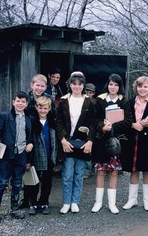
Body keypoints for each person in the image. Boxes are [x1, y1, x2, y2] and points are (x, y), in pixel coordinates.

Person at [0, 91, 34, 223]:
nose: (20, 103)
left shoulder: (29, 118)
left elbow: (30, 137)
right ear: (13, 102)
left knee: (17, 182)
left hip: (21, 155)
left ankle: (14, 209)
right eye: (18, 101)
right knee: (2, 181)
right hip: (7, 154)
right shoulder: (5, 116)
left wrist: (29, 152)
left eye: (23, 101)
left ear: (26, 104)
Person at [91, 74, 133, 214]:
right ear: (107, 85)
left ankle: (112, 203)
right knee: (101, 171)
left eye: (116, 84)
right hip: (102, 140)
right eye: (111, 84)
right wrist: (103, 126)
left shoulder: (124, 102)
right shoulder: (100, 100)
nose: (113, 87)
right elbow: (95, 119)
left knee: (114, 172)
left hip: (117, 142)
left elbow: (128, 121)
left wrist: (113, 126)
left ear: (120, 86)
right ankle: (98, 202)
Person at [56, 71, 95, 214]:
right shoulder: (64, 100)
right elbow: (59, 122)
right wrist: (63, 140)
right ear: (70, 85)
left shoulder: (89, 101)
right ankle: (66, 202)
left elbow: (93, 123)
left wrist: (90, 141)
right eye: (74, 84)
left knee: (79, 174)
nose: (77, 86)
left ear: (83, 85)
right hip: (68, 142)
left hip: (83, 143)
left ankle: (75, 202)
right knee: (67, 174)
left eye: (80, 84)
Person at [122, 76, 148, 211]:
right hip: (133, 139)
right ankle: (132, 200)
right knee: (134, 170)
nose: (142, 89)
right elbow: (125, 120)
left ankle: (146, 200)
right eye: (140, 86)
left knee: (146, 169)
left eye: (145, 87)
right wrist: (133, 125)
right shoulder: (129, 102)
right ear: (136, 88)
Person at [19, 74, 55, 209]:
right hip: (31, 141)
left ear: (46, 87)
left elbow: (53, 119)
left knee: (46, 176)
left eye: (42, 86)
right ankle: (27, 199)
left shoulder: (48, 100)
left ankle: (43, 201)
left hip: (45, 140)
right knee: (30, 174)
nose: (39, 88)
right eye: (37, 85)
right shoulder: (26, 100)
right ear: (32, 85)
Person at [26, 96, 58, 215]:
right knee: (34, 181)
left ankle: (44, 202)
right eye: (40, 108)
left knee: (47, 181)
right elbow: (29, 140)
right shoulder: (32, 122)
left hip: (49, 156)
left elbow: (55, 141)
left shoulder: (52, 123)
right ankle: (33, 203)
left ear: (49, 108)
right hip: (36, 157)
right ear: (36, 108)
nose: (43, 111)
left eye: (45, 108)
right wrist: (28, 160)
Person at [84, 83, 97, 179]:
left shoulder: (96, 103)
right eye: (87, 92)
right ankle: (87, 170)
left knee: (92, 150)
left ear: (94, 93)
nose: (89, 94)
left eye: (91, 92)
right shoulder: (81, 101)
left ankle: (91, 169)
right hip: (84, 128)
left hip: (94, 128)